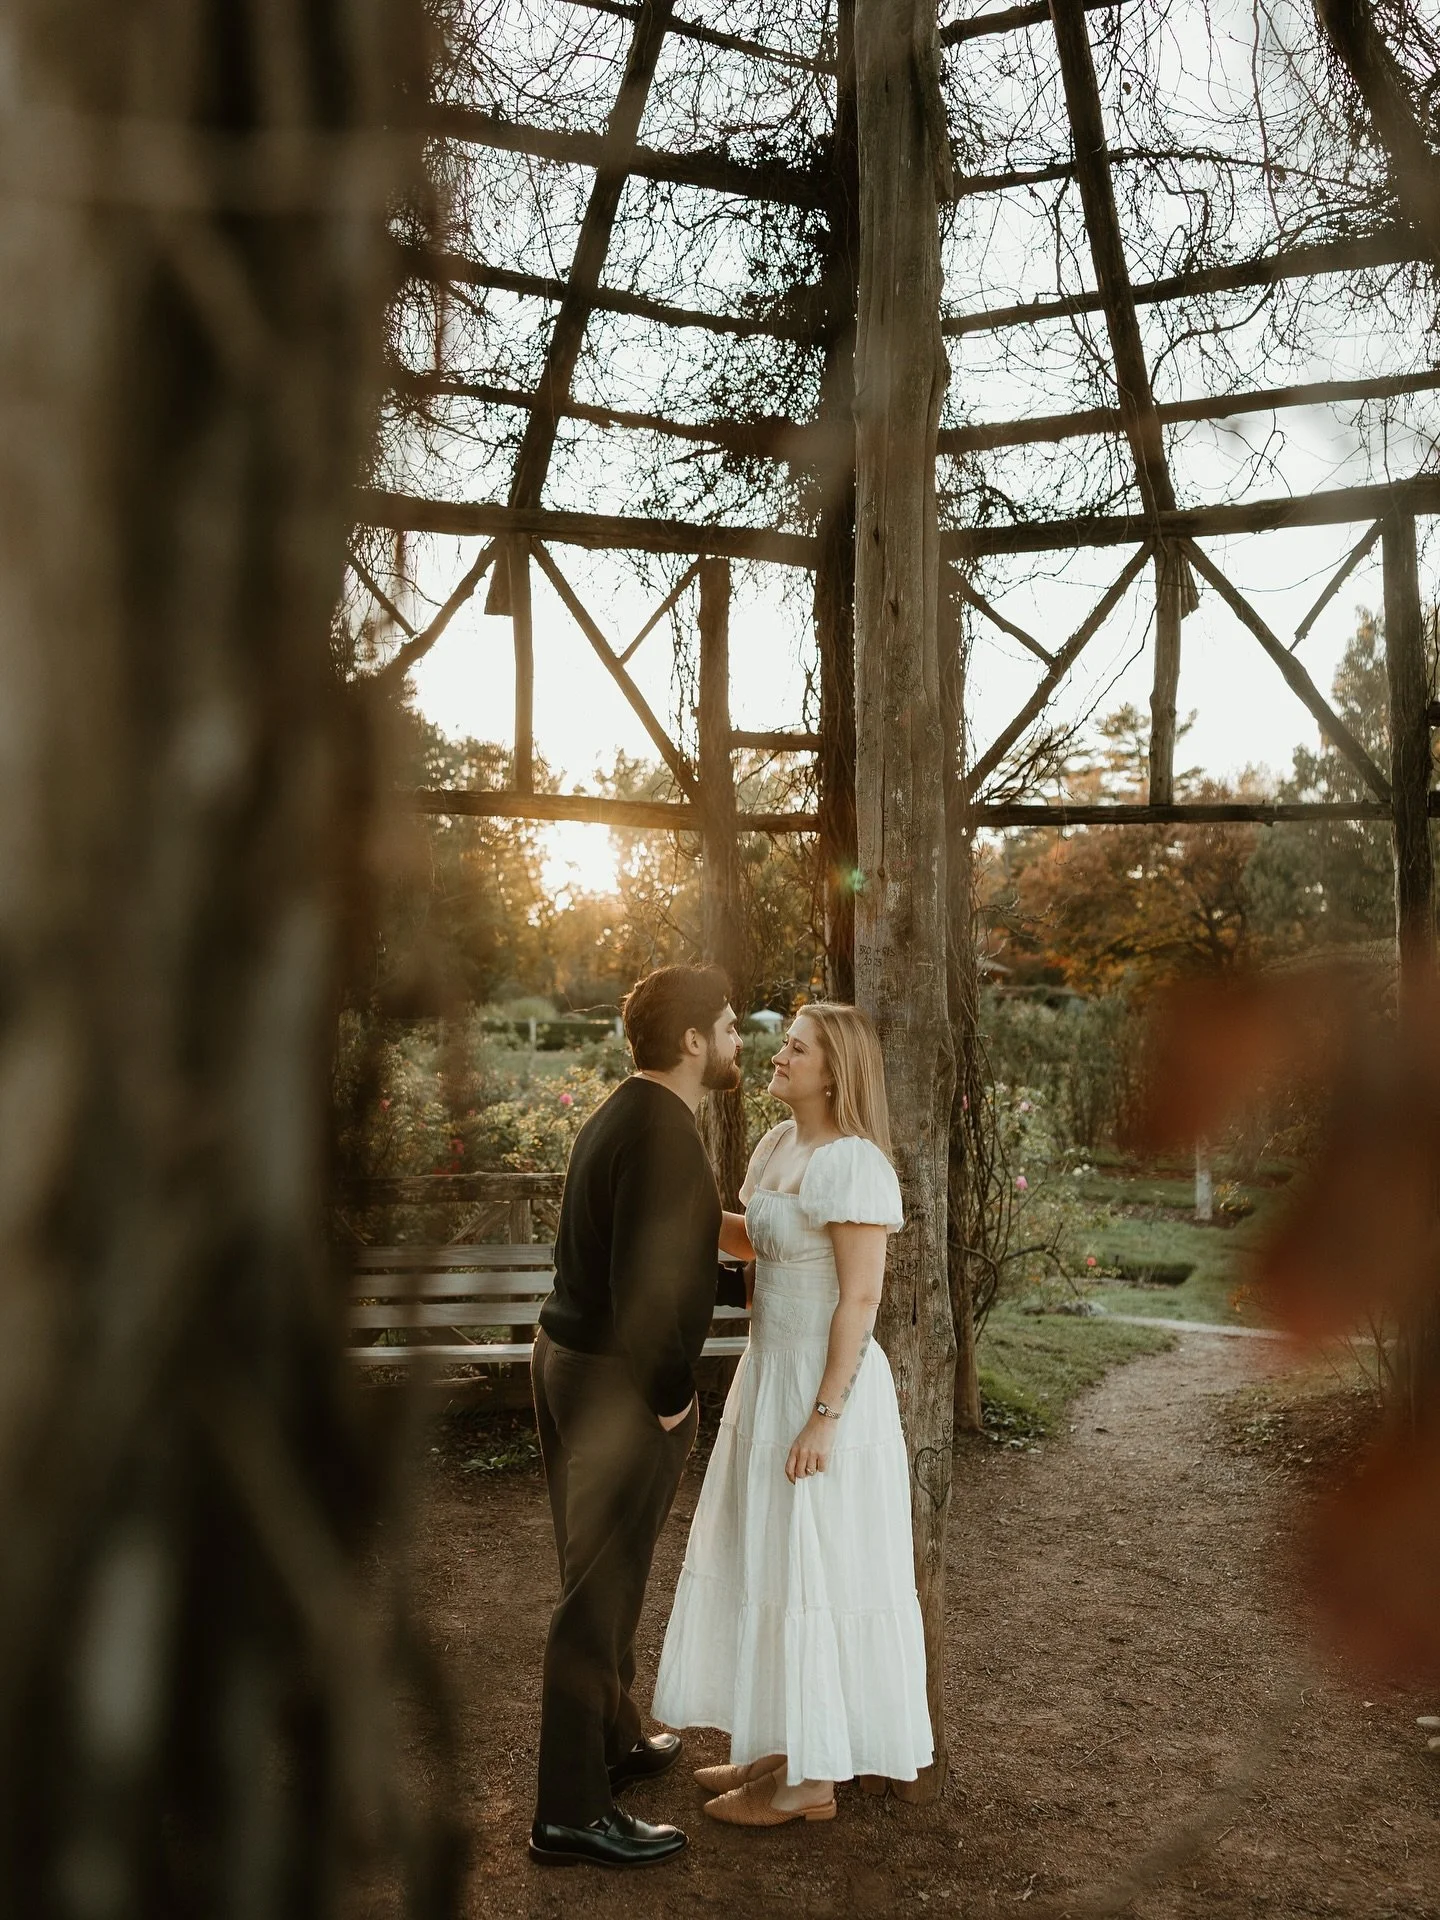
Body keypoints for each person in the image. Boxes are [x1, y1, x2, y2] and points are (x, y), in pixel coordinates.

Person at [652, 1002, 932, 1825]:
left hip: (823, 1385)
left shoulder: (852, 1164)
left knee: (818, 1567)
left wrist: (825, 1414)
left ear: (834, 1071)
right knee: (773, 1559)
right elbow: (759, 1243)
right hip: (768, 1373)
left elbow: (861, 1295)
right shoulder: (779, 1146)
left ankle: (813, 1785)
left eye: (797, 1047)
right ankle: (785, 1745)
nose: (779, 1054)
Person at [528, 964, 743, 1868]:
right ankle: (571, 1811)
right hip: (618, 1381)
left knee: (598, 1569)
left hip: (569, 1359)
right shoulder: (662, 1133)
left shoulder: (629, 1112)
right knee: (599, 1592)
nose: (740, 1039)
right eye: (730, 1026)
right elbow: (641, 1291)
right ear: (692, 1041)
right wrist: (669, 1396)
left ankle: (615, 1737)